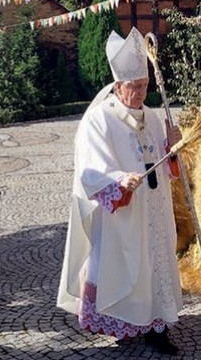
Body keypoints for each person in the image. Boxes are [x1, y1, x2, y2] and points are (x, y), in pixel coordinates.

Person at [57, 27, 184, 355]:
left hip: (154, 208)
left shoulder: (154, 118)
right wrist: (118, 180)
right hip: (123, 214)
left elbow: (168, 165)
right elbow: (90, 167)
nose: (141, 93)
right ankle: (125, 323)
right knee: (127, 264)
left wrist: (173, 148)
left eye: (144, 86)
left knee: (155, 262)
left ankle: (157, 325)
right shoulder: (99, 120)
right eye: (134, 87)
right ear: (117, 86)